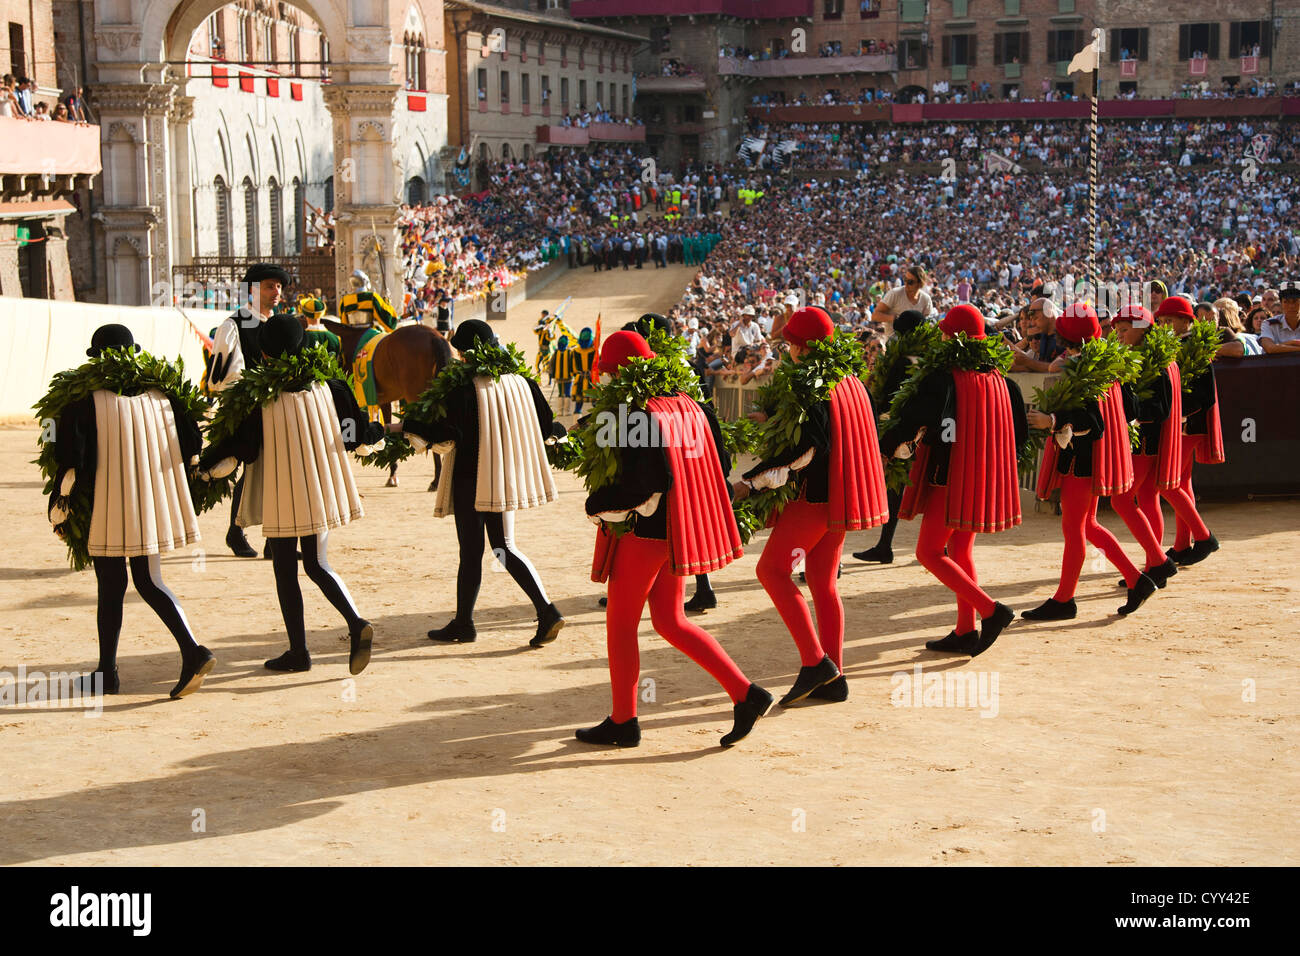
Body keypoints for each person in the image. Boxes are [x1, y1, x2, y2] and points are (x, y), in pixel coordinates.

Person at [578, 331, 772, 748]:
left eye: (608, 373)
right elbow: (720, 463)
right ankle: (745, 693)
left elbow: (646, 485)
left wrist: (597, 504)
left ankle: (624, 720)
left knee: (622, 624)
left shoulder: (638, 411)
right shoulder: (690, 400)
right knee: (670, 620)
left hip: (647, 533)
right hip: (679, 528)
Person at [200, 314, 380, 674]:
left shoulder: (258, 394)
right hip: (320, 488)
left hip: (283, 492)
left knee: (285, 569)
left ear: (264, 354)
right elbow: (356, 432)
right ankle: (355, 621)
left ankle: (299, 651)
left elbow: (244, 447)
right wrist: (380, 432)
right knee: (317, 563)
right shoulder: (330, 384)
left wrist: (206, 465)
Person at [43, 325, 215, 698]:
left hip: (107, 508)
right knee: (147, 580)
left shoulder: (85, 402)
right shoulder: (163, 395)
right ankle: (114, 670)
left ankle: (186, 652)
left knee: (112, 584)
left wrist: (60, 504)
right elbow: (192, 444)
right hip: (150, 505)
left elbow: (72, 463)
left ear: (98, 358)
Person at [737, 308, 888, 703]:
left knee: (771, 571)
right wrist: (772, 420)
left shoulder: (811, 384)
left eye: (789, 345)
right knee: (823, 584)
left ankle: (815, 661)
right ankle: (834, 676)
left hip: (815, 498)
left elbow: (806, 448)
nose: (787, 352)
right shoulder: (851, 379)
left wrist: (750, 483)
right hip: (840, 497)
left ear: (800, 347)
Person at [400, 320, 565, 647]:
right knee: (504, 547)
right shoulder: (523, 382)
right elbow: (549, 426)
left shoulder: (461, 388)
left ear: (462, 353)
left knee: (472, 552)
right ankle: (539, 611)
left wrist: (408, 426)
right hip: (504, 475)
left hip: (469, 479)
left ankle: (471, 622)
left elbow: (446, 432)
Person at [881, 305, 1022, 655]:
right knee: (960, 550)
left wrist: (886, 448)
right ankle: (965, 629)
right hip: (981, 474)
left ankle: (991, 610)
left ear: (953, 337)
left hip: (950, 474)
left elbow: (917, 418)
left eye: (945, 332)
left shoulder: (943, 376)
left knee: (929, 552)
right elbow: (1017, 433)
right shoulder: (999, 377)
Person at [1024, 304, 1158, 621]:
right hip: (1091, 458)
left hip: (1082, 461)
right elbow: (1130, 407)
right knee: (1087, 527)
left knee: (1075, 528)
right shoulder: (1102, 363)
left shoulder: (1085, 368)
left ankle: (1065, 599)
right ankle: (1136, 581)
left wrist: (1052, 420)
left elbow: (1092, 422)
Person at [206, 262, 290, 559]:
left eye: (279, 286)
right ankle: (236, 530)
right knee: (249, 468)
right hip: (249, 407)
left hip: (280, 407)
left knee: (277, 471)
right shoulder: (235, 324)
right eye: (270, 286)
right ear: (252, 291)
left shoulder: (281, 323)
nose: (277, 291)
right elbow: (224, 376)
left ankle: (273, 539)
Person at [1109, 305, 1182, 588]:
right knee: (1148, 498)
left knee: (1122, 499)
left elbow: (1160, 408)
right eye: (1116, 330)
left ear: (1142, 328)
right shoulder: (1146, 356)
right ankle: (1155, 563)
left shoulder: (1156, 361)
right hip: (1151, 441)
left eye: (1124, 330)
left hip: (1146, 442)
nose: (1119, 335)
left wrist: (1131, 416)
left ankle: (1158, 561)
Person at [853, 308, 927, 565]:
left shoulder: (900, 360)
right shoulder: (932, 358)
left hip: (902, 430)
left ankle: (886, 545)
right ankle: (943, 545)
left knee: (895, 487)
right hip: (932, 432)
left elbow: (887, 398)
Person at [1154, 295, 1222, 564]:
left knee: (1167, 483)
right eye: (1162, 321)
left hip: (1187, 424)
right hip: (1186, 423)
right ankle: (1182, 544)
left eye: (1169, 320)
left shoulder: (1193, 347)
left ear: (1186, 321)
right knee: (1181, 482)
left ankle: (1204, 537)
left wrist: (1179, 413)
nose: (1165, 325)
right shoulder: (1181, 344)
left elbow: (1204, 394)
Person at [1259, 281, 1300, 354]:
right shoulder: (1269, 324)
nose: (1291, 306)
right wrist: (1292, 343)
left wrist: (1279, 347)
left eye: (1295, 301)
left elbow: (1272, 348)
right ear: (1281, 303)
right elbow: (1269, 348)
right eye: (1286, 302)